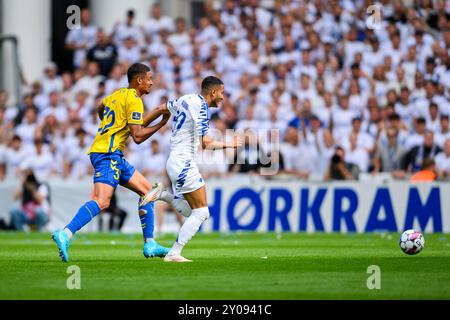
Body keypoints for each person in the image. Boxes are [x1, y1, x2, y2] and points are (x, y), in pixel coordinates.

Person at [51, 63, 173, 262]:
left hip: (110, 152)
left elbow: (102, 108)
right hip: (108, 153)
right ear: (139, 80)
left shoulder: (116, 95)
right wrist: (161, 123)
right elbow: (138, 136)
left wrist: (113, 126)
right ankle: (65, 233)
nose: (152, 82)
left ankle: (150, 243)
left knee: (148, 192)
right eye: (149, 78)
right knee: (102, 200)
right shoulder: (134, 100)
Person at [157, 76, 242, 262]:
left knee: (190, 212)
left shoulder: (186, 98)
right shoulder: (202, 107)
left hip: (174, 162)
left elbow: (161, 107)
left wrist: (141, 127)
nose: (222, 97)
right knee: (202, 212)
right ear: (213, 92)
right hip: (183, 162)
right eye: (221, 93)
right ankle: (174, 253)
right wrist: (230, 144)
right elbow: (206, 143)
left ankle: (163, 195)